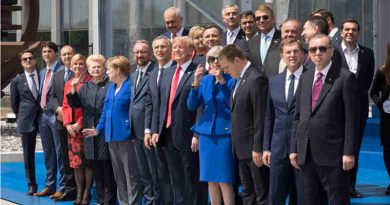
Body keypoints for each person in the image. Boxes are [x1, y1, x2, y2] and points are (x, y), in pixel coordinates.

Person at [289, 34, 359, 205]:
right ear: (309, 54)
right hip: (307, 154)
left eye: (322, 49)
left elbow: (352, 119)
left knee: (337, 200)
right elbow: (298, 116)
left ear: (331, 52)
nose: (317, 53)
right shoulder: (305, 77)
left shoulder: (344, 77)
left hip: (334, 156)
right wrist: (294, 148)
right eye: (313, 49)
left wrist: (349, 152)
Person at [151, 36, 204, 205]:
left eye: (181, 47)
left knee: (192, 179)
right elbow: (159, 105)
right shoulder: (167, 73)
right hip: (166, 135)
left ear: (191, 51)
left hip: (188, 134)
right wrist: (155, 130)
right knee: (175, 179)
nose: (176, 50)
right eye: (174, 48)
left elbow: (202, 106)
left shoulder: (199, 72)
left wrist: (197, 133)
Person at [83, 56, 140, 205]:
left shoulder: (131, 86)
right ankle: (123, 202)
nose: (107, 72)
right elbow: (106, 112)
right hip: (111, 136)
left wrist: (133, 131)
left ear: (118, 70)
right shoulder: (111, 88)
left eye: (109, 69)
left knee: (131, 175)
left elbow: (136, 112)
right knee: (119, 174)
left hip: (127, 136)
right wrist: (98, 130)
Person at [219, 44, 269, 205]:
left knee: (261, 193)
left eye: (226, 67)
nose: (225, 71)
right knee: (248, 192)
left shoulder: (256, 79)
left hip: (253, 150)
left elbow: (260, 116)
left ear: (237, 60)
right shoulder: (239, 80)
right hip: (241, 148)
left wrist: (258, 147)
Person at [187, 46, 236, 205]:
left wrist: (222, 81)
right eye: (211, 59)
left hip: (224, 133)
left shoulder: (232, 78)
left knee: (224, 179)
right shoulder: (206, 80)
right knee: (210, 180)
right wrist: (195, 83)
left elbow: (233, 104)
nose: (215, 62)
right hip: (207, 134)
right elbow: (192, 105)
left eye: (218, 58)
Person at [66, 54, 117, 205]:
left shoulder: (110, 85)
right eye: (93, 67)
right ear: (88, 69)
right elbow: (75, 104)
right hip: (89, 132)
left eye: (99, 66)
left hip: (105, 131)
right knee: (96, 168)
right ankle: (101, 199)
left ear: (104, 68)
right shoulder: (86, 86)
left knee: (108, 169)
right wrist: (73, 89)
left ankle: (109, 200)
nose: (96, 69)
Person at [335, 18, 375, 198]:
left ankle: (351, 185)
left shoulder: (368, 53)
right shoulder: (332, 51)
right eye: (347, 29)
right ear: (341, 32)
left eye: (354, 30)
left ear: (358, 32)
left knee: (354, 148)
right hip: (335, 108)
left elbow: (367, 81)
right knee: (335, 148)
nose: (350, 32)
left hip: (358, 108)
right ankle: (336, 185)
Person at [263, 39, 305, 205]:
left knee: (301, 195)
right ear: (282, 56)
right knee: (276, 195)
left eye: (295, 51)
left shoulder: (310, 78)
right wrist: (266, 147)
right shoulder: (274, 81)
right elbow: (269, 116)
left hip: (302, 148)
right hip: (278, 147)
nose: (292, 55)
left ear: (302, 53)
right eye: (288, 52)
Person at [144, 35, 175, 204]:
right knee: (160, 173)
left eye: (163, 47)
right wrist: (149, 130)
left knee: (173, 175)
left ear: (170, 50)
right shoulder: (153, 73)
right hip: (155, 133)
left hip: (171, 132)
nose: (159, 50)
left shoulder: (176, 72)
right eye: (156, 48)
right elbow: (150, 104)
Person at [35, 41, 66, 197]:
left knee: (60, 150)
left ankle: (62, 187)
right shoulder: (41, 72)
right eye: (44, 52)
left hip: (56, 115)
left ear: (55, 53)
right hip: (43, 115)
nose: (46, 54)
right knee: (48, 151)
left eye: (49, 51)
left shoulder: (62, 70)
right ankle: (49, 185)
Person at [62, 54, 93, 205]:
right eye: (75, 64)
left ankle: (87, 193)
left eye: (81, 64)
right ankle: (79, 192)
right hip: (72, 130)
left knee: (87, 162)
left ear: (85, 66)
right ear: (71, 66)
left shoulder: (90, 81)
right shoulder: (68, 83)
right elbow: (65, 105)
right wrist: (68, 124)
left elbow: (91, 107)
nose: (78, 66)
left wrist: (79, 123)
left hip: (85, 127)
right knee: (76, 163)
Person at [47, 45, 77, 201]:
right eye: (64, 54)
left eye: (69, 54)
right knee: (65, 157)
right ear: (61, 57)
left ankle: (79, 189)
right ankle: (69, 188)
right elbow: (51, 97)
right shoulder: (57, 75)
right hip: (61, 122)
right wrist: (59, 109)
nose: (67, 57)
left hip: (76, 124)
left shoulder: (79, 73)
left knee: (77, 158)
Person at [129, 40, 156, 205]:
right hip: (136, 131)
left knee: (154, 169)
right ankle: (149, 199)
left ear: (150, 53)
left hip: (150, 131)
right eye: (137, 52)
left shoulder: (155, 72)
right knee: (143, 169)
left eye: (143, 52)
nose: (140, 55)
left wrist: (149, 129)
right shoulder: (132, 75)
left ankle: (155, 200)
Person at [10, 50, 40, 196]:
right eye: (25, 59)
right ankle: (31, 185)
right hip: (26, 121)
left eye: (31, 58)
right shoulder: (16, 81)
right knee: (28, 155)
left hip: (44, 118)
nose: (28, 61)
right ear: (22, 63)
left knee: (54, 153)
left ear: (35, 60)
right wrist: (22, 116)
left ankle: (53, 185)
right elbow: (14, 104)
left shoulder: (43, 75)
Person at [370, 43, 390, 196]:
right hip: (388, 118)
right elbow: (373, 92)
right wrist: (381, 104)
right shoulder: (383, 71)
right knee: (388, 151)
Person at [246, 4, 281, 78]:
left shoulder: (282, 38)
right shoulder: (251, 43)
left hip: (276, 84)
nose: (261, 21)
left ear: (273, 18)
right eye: (258, 19)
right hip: (258, 86)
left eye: (265, 17)